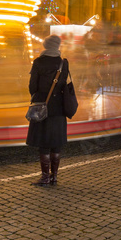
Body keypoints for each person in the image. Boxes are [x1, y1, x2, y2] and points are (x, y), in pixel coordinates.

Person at [26, 35, 72, 186]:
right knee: (56, 143)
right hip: (59, 107)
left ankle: (45, 177)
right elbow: (64, 83)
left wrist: (38, 95)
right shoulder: (63, 63)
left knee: (43, 143)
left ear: (46, 46)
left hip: (42, 106)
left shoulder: (38, 62)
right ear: (57, 46)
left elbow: (32, 86)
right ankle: (54, 177)